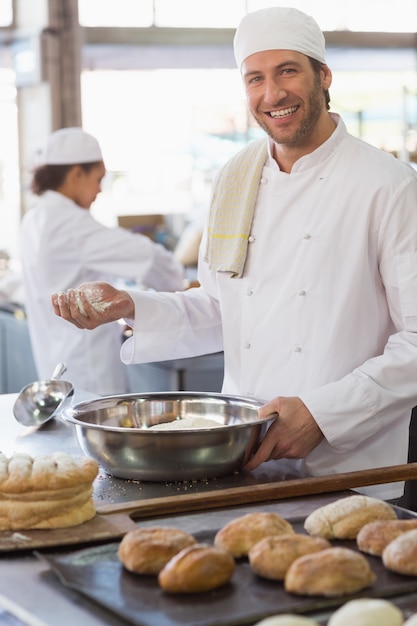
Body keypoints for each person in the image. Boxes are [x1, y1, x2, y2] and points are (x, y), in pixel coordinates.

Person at [51, 8, 417, 500]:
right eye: (255, 78)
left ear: (324, 75)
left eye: (288, 71)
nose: (273, 94)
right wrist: (133, 305)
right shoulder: (235, 178)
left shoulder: (389, 186)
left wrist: (323, 414)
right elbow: (227, 306)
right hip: (244, 456)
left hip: (350, 468)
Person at [21, 126, 184, 395]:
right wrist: (179, 285)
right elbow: (148, 258)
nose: (99, 190)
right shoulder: (69, 224)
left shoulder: (35, 218)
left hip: (55, 361)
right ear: (76, 174)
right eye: (98, 179)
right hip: (88, 368)